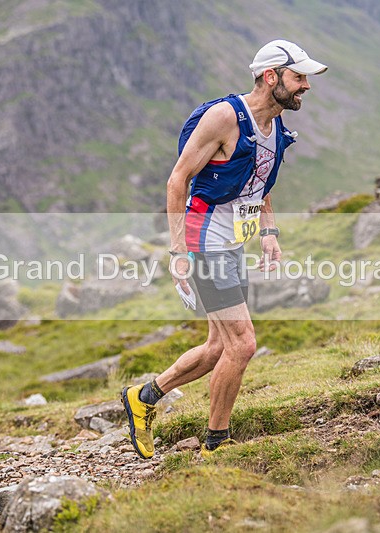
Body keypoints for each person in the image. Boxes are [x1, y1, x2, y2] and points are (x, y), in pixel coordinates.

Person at [121, 39, 327, 459]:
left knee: (219, 346)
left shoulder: (276, 127)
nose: (306, 85)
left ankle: (143, 398)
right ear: (271, 76)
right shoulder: (225, 118)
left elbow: (259, 184)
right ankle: (217, 444)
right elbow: (178, 180)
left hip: (233, 242)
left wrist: (268, 232)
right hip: (203, 240)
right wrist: (178, 251)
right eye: (298, 77)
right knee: (243, 344)